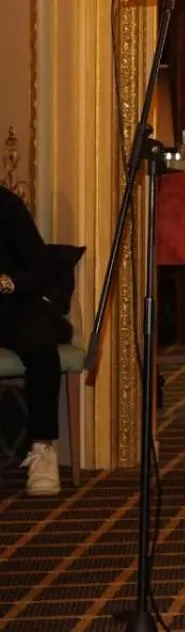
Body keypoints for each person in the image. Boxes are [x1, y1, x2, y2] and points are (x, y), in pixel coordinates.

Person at [0, 185, 73, 498]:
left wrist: (8, 282)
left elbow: (42, 269)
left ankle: (44, 448)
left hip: (10, 304)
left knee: (42, 347)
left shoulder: (6, 205)